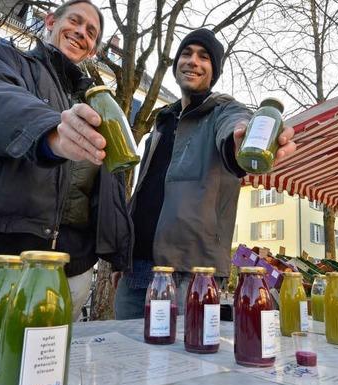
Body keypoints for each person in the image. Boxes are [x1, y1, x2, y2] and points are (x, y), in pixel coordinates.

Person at [0, 0, 132, 331]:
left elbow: (110, 188)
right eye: (74, 22)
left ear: (93, 49)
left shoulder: (96, 101)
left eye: (90, 32)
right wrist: (51, 132)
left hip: (69, 272)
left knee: (46, 379)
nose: (80, 32)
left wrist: (117, 254)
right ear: (50, 21)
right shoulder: (3, 59)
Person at [114, 28, 296, 319]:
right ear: (176, 65)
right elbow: (144, 190)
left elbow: (235, 132)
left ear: (214, 71)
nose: (193, 61)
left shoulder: (224, 110)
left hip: (190, 271)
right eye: (186, 54)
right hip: (136, 268)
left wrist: (240, 144)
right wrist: (124, 257)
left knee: (184, 361)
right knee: (127, 359)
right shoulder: (162, 122)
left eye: (204, 57)